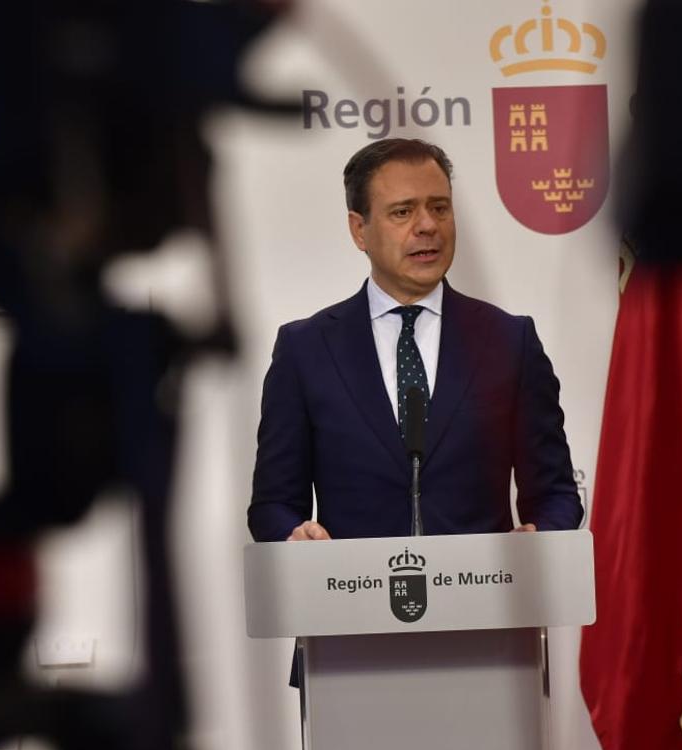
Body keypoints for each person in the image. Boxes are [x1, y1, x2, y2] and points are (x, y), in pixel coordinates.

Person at [248, 138, 582, 544]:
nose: (427, 226)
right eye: (403, 212)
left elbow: (556, 493)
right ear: (359, 230)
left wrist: (541, 536)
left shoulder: (510, 341)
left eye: (439, 208)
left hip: (480, 597)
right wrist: (293, 535)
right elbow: (273, 504)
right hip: (354, 598)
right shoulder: (305, 349)